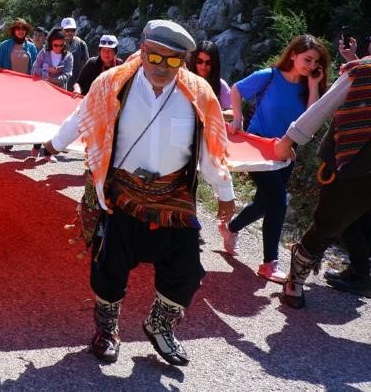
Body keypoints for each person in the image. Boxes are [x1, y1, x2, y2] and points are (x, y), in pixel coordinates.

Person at [43, 20, 236, 366]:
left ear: (184, 61)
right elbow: (81, 116)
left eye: (173, 60)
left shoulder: (199, 95)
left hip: (172, 197)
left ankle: (159, 326)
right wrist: (52, 145)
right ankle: (106, 331)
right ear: (142, 51)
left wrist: (225, 194)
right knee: (108, 269)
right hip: (121, 194)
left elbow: (211, 151)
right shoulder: (113, 84)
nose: (162, 68)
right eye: (155, 57)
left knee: (188, 270)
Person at [222, 35, 328, 282]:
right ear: (293, 54)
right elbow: (237, 89)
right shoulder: (269, 75)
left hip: (286, 151)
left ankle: (230, 228)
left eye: (316, 62)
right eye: (308, 59)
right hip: (258, 147)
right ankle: (269, 263)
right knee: (279, 201)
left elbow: (310, 118)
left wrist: (314, 86)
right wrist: (237, 120)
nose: (311, 65)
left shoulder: (307, 87)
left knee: (263, 204)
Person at [276, 54, 371, 306]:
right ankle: (296, 277)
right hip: (349, 164)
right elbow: (323, 107)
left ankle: (359, 272)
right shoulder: (363, 71)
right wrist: (290, 138)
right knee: (327, 224)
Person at [187, 40, 231, 115]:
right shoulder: (184, 80)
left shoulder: (221, 85)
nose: (203, 66)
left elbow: (232, 113)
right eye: (199, 61)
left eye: (208, 63)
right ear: (194, 61)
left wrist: (211, 114)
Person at [61, 17, 90, 89]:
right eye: (67, 30)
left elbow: (87, 67)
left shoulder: (81, 44)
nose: (70, 33)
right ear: (61, 30)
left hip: (75, 86)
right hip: (58, 84)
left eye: (73, 30)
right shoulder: (55, 43)